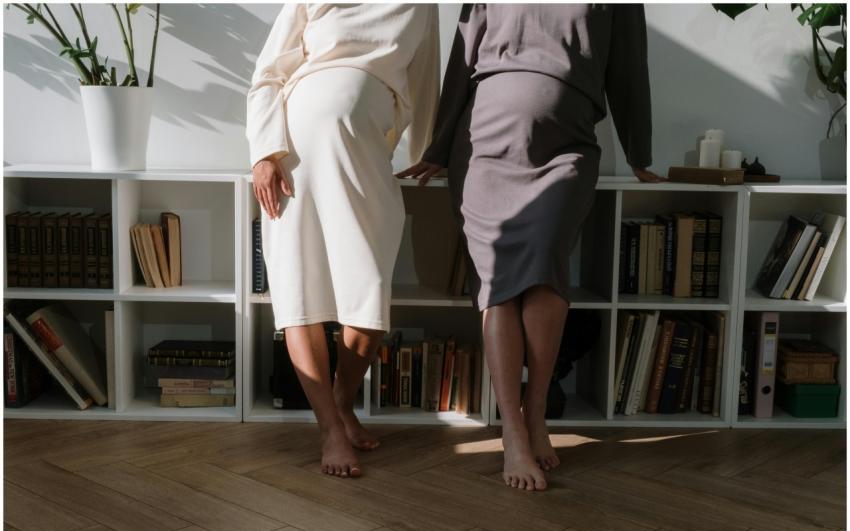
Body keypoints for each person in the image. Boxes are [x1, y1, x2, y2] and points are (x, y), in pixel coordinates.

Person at [398, 4, 665, 491]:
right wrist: (438, 147)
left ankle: (535, 410)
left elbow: (630, 66)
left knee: (545, 272)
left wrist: (639, 153)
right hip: (484, 145)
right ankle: (513, 432)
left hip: (567, 145)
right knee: (497, 285)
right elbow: (462, 57)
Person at [246, 4, 439, 478]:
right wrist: (264, 153)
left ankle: (341, 402)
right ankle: (331, 428)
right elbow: (269, 72)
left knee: (368, 291)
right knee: (300, 290)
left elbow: (425, 77)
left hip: (363, 150)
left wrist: (429, 150)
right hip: (293, 156)